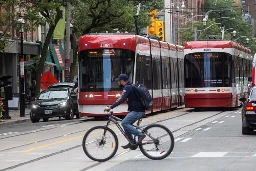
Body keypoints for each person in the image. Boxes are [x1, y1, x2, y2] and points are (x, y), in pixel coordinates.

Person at [104, 73, 146, 150]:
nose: (118, 82)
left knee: (124, 123)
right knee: (125, 124)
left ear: (122, 81)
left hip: (137, 111)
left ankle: (140, 135)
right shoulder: (130, 86)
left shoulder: (127, 87)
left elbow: (121, 99)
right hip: (137, 110)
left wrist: (111, 107)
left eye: (119, 81)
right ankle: (132, 142)